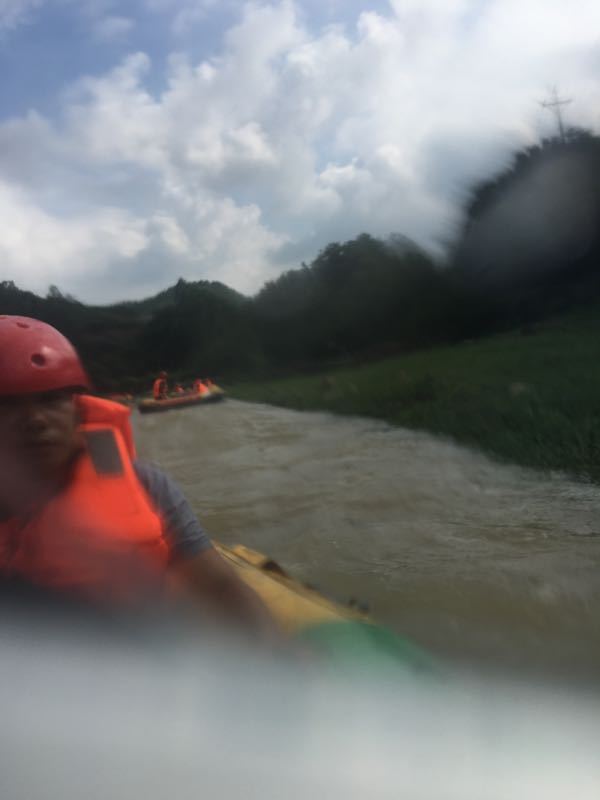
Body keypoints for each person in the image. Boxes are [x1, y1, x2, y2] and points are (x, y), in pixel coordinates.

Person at [0, 316, 277, 639]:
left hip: (152, 658)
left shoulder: (148, 486)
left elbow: (218, 589)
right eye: (5, 405)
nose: (34, 420)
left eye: (51, 399)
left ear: (78, 410)